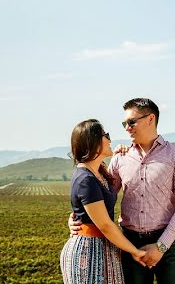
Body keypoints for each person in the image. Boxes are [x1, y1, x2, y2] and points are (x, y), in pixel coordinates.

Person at [69, 98, 175, 283]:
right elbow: (97, 195)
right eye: (124, 123)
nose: (127, 128)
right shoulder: (120, 157)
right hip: (129, 244)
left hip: (168, 245)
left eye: (131, 122)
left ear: (151, 119)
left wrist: (161, 246)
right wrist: (76, 218)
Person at [60, 119, 147, 284]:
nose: (109, 139)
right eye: (105, 135)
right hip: (88, 251)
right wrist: (134, 251)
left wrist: (124, 153)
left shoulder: (99, 172)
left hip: (103, 248)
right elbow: (105, 225)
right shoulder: (85, 179)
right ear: (92, 141)